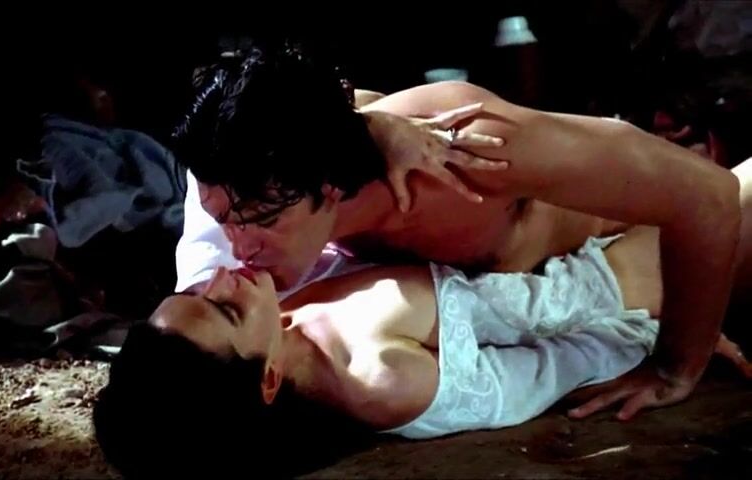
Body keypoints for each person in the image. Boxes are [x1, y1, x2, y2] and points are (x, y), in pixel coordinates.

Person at [171, 43, 740, 421]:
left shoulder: (468, 152)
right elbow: (296, 97)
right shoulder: (252, 174)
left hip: (648, 237)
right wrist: (370, 124)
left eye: (264, 224)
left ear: (331, 186)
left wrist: (675, 364)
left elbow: (706, 196)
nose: (237, 250)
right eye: (223, 219)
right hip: (580, 287)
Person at [93, 161, 752, 475]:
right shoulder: (382, 379)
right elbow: (541, 371)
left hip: (567, 214)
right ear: (266, 379)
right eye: (223, 306)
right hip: (637, 277)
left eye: (192, 292)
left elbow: (212, 164)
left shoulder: (218, 294)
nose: (221, 278)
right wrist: (670, 341)